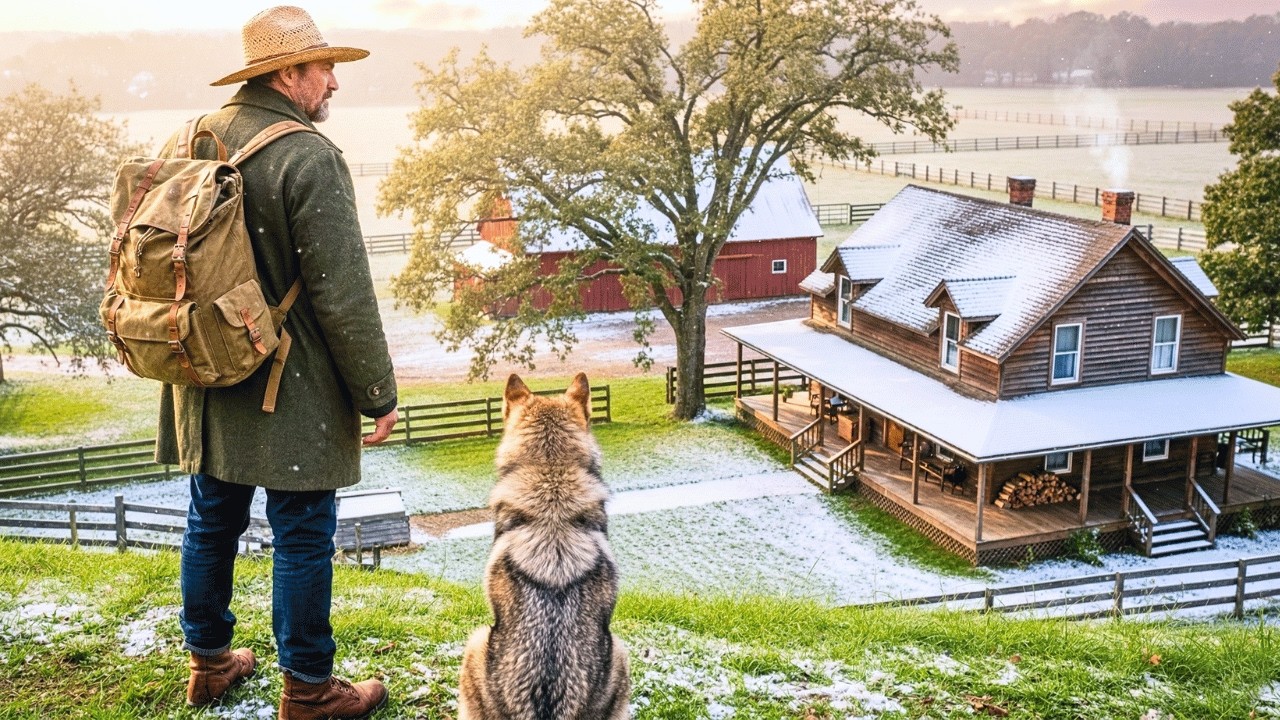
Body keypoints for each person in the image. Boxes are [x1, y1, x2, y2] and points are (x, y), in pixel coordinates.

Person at [157, 6, 398, 718]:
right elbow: (344, 294)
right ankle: (310, 689)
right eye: (324, 67)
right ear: (288, 73)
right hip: (285, 384)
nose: (333, 81)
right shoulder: (309, 157)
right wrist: (377, 393)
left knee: (211, 520)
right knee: (301, 534)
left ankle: (208, 664)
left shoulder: (189, 135)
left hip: (201, 371)